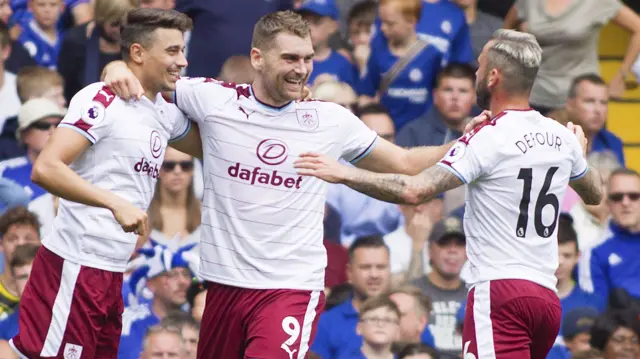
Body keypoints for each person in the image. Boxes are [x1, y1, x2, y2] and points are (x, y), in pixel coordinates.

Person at [102, 10, 488, 359]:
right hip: (222, 285)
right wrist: (117, 68)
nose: (301, 69)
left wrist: (462, 141)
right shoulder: (213, 98)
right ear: (257, 58)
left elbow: (403, 162)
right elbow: (146, 78)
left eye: (307, 58)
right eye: (289, 59)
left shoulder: (329, 120)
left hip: (289, 288)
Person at [293, 29, 604, 359]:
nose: (476, 73)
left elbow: (414, 190)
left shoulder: (489, 136)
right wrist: (579, 156)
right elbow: (596, 193)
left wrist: (343, 173)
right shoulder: (560, 136)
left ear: (494, 77)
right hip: (546, 298)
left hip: (501, 293)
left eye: (480, 66)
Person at [7, 8, 196, 358]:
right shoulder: (102, 98)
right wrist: (114, 202)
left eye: (182, 50)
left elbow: (210, 145)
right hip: (75, 264)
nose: (182, 61)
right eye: (172, 51)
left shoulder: (163, 111)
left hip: (111, 272)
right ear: (137, 52)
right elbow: (46, 168)